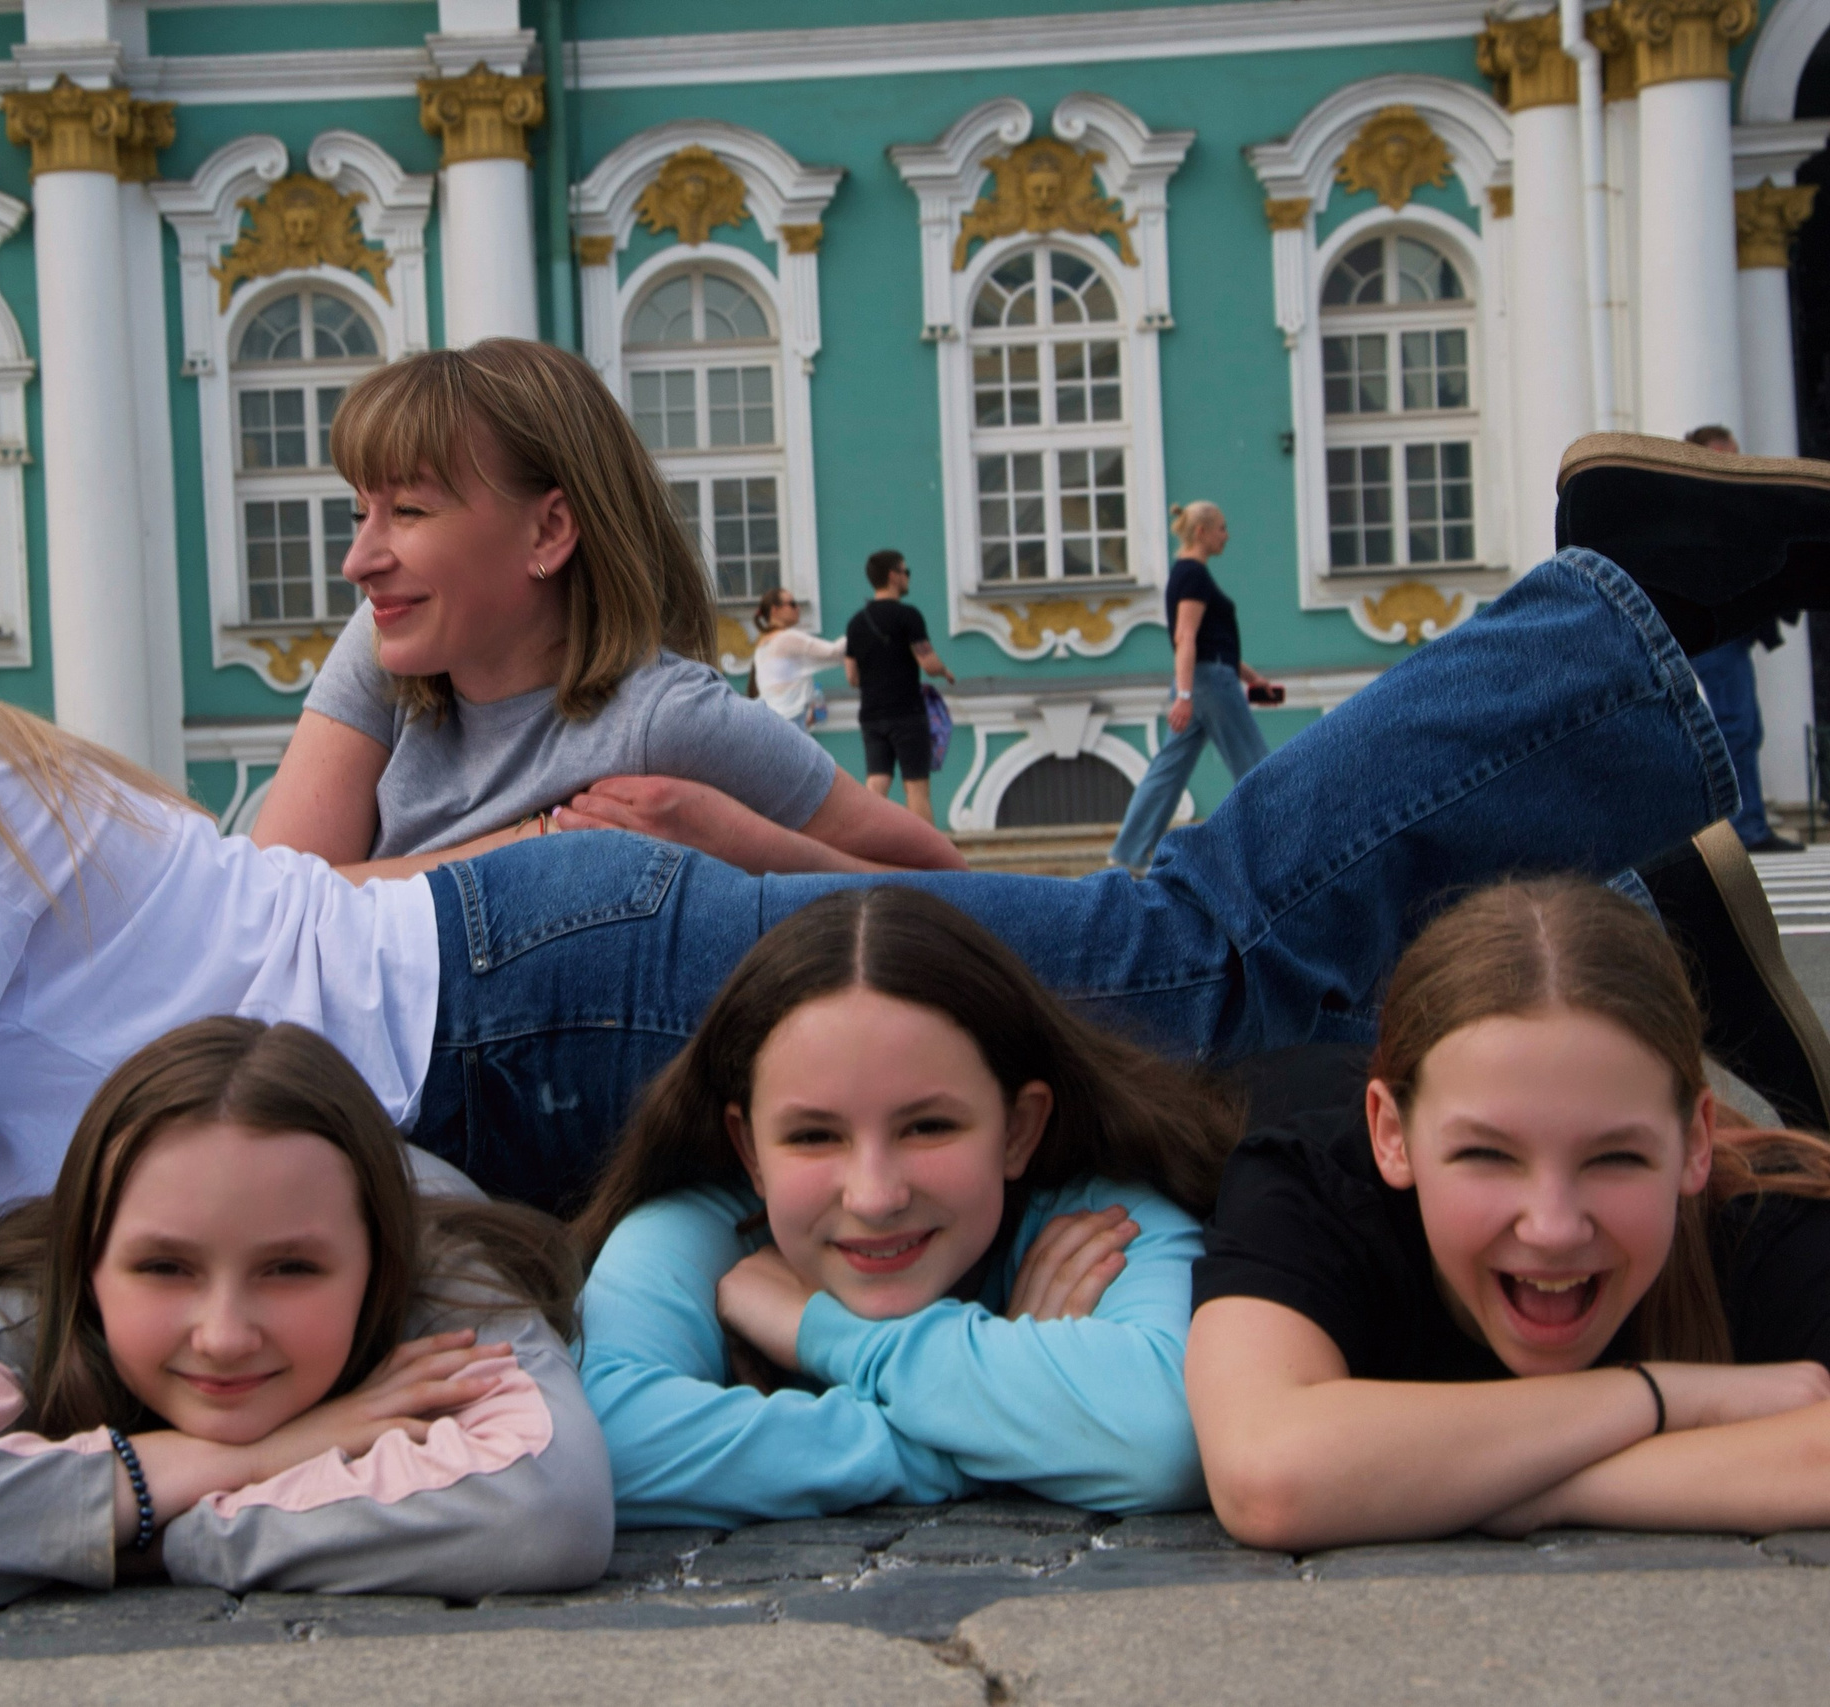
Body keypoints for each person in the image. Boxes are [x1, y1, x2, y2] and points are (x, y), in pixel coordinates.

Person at [0, 429, 1813, 1234]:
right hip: (509, 995)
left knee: (1152, 970)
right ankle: (1609, 888)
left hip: (528, 1004)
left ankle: (1613, 623)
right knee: (1152, 1041)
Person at [0, 1016, 610, 1612]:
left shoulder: (442, 1281)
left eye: (291, 1268)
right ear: (90, 1261)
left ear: (377, 1262)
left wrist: (170, 1537)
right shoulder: (29, 1303)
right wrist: (202, 1465)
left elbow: (548, 1509)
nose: (223, 1333)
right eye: (164, 1267)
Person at [1186, 878, 1830, 1552]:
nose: (1552, 1228)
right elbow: (1268, 1474)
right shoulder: (1312, 1185)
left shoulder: (1764, 1223)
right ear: (1391, 1135)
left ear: (1695, 1141)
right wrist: (1664, 1396)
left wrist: (1547, 1486)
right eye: (1487, 1154)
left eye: (1615, 1158)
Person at [568, 889, 1230, 1525]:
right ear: (749, 1150)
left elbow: (1168, 1433)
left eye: (928, 1127)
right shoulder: (700, 1229)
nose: (874, 1196)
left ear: (1019, 1128)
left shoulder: (1101, 1226)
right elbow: (599, 1444)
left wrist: (820, 1330)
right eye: (813, 1136)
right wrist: (1003, 1422)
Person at [253, 341, 964, 879]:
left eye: (407, 510)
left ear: (549, 531)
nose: (358, 563)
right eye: (359, 512)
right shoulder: (382, 639)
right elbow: (268, 910)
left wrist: (752, 847)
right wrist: (531, 846)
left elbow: (952, 890)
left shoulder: (662, 721)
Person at [1108, 502, 1282, 877]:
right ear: (1201, 532)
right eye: (1221, 528)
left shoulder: (1186, 574)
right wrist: (1185, 695)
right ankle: (1280, 843)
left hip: (1205, 679)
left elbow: (1207, 641)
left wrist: (1251, 678)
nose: (1227, 534)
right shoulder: (1194, 576)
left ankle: (1128, 854)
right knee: (1256, 765)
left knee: (1168, 771)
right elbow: (1185, 637)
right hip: (1208, 684)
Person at [1681, 427, 1803, 855]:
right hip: (1716, 630)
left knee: (1743, 727)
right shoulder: (1700, 509)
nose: (1737, 464)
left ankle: (1746, 822)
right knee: (1736, 726)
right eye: (1727, 457)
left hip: (1726, 631)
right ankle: (1740, 827)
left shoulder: (1713, 507)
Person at [844, 551, 957, 823]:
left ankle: (870, 849)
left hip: (871, 715)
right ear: (893, 576)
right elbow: (927, 663)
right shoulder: (908, 616)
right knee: (916, 787)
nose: (908, 578)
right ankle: (925, 861)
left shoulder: (857, 622)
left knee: (877, 784)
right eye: (906, 572)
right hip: (907, 713)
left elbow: (852, 676)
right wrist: (944, 670)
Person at [748, 586, 848, 727]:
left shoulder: (761, 647)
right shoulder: (786, 638)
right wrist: (860, 626)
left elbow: (781, 689)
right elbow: (834, 652)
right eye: (792, 604)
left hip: (772, 723)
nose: (798, 608)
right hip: (790, 721)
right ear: (774, 610)